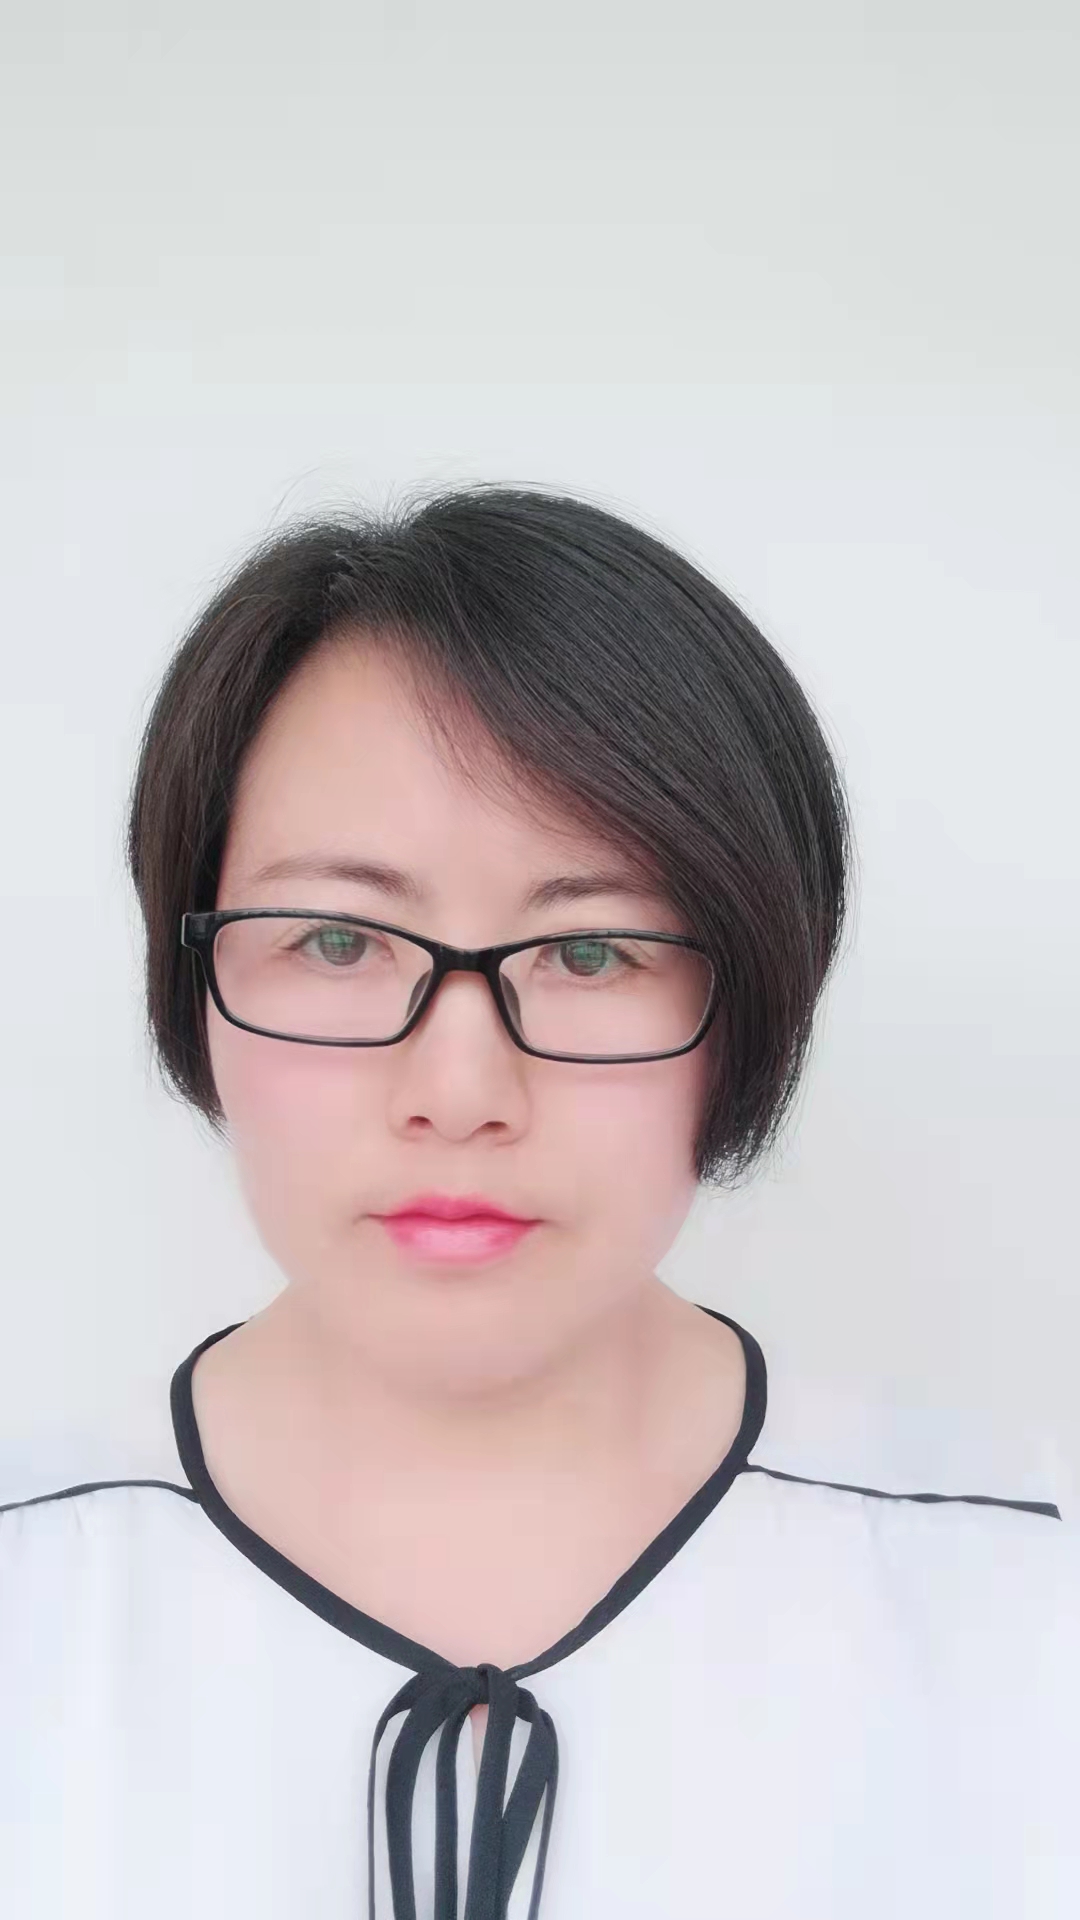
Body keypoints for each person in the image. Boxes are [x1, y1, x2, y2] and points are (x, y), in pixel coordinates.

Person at [1, 483, 1076, 1919]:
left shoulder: (1023, 1592)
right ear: (190, 981)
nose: (460, 1091)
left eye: (587, 953)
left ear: (753, 996)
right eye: (337, 941)